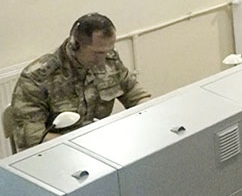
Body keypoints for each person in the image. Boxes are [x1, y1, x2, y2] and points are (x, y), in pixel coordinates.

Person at [10, 13, 151, 150]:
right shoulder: (38, 77)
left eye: (109, 50)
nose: (103, 60)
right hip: (58, 151)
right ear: (75, 45)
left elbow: (135, 94)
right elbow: (34, 139)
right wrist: (85, 145)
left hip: (99, 144)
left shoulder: (109, 59)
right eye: (97, 53)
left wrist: (148, 112)